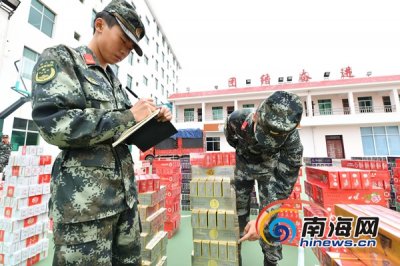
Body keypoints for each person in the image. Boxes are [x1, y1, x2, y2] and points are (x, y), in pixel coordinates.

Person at [31, 0, 172, 264]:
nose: (125, 51)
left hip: (125, 204)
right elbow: (54, 124)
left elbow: (121, 133)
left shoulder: (115, 83)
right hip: (84, 210)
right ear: (99, 25)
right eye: (123, 40)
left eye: (131, 47)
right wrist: (130, 115)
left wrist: (152, 120)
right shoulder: (63, 59)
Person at [224, 91, 303, 266]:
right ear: (257, 116)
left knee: (271, 222)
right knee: (237, 215)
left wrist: (262, 219)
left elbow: (283, 184)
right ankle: (233, 257)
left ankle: (271, 261)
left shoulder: (292, 141)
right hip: (243, 168)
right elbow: (231, 139)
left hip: (270, 174)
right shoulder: (237, 119)